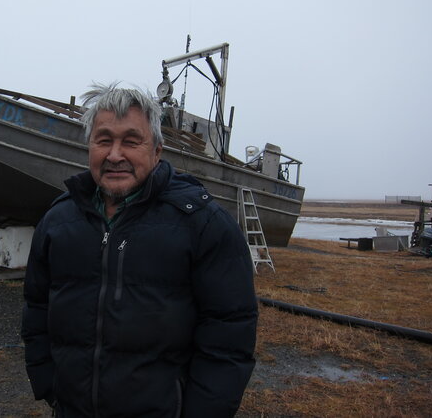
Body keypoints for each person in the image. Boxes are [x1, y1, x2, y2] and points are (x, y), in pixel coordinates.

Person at [22, 83, 258, 417]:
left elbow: (229, 336)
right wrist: (48, 384)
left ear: (157, 151)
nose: (115, 155)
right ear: (89, 147)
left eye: (131, 141)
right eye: (104, 140)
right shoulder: (58, 221)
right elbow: (36, 308)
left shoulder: (203, 225)